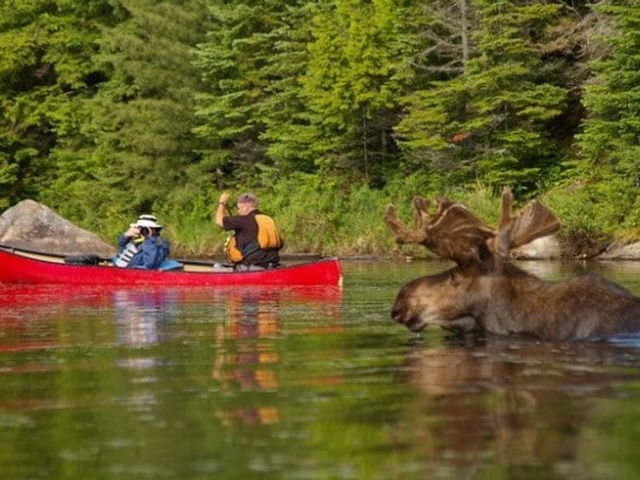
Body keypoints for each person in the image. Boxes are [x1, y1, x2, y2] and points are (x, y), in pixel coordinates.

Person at [215, 192, 282, 270]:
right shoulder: (268, 219)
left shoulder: (243, 220)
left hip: (252, 268)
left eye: (239, 208)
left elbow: (218, 220)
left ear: (245, 207)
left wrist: (222, 202)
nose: (238, 212)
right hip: (272, 266)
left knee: (217, 267)